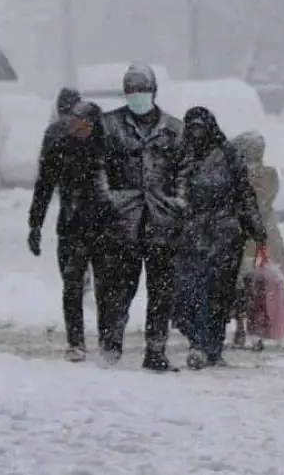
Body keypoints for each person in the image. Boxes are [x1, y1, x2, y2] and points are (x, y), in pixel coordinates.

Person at [92, 64, 186, 371]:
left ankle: (156, 350)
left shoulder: (174, 128)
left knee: (161, 290)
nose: (137, 96)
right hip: (123, 222)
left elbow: (184, 170)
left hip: (162, 222)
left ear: (154, 91)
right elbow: (98, 168)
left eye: (142, 90)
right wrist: (110, 200)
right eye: (131, 90)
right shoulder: (109, 125)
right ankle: (111, 345)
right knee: (119, 287)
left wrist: (179, 202)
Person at [171, 108, 266, 369]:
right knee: (186, 295)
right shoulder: (180, 156)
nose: (197, 134)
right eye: (193, 129)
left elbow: (244, 193)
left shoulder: (227, 155)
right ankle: (199, 341)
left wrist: (255, 227)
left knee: (218, 295)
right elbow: (171, 193)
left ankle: (208, 346)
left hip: (225, 235)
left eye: (201, 128)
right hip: (190, 236)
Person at [27, 95, 108, 363]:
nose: (77, 127)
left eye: (84, 123)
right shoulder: (60, 148)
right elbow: (44, 186)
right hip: (71, 226)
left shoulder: (110, 151)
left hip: (105, 228)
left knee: (107, 286)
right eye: (75, 122)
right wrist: (35, 225)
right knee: (72, 285)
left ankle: (109, 340)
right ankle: (76, 341)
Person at [231, 130, 284, 349]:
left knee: (245, 284)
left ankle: (245, 326)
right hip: (263, 234)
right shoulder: (269, 174)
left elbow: (255, 201)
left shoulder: (241, 175)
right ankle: (254, 327)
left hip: (249, 235)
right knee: (258, 285)